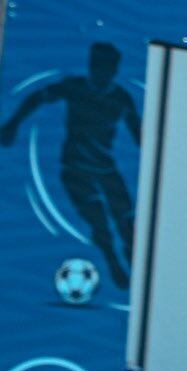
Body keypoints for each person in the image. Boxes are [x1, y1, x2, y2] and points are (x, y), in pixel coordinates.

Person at [0, 42, 141, 285]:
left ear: (114, 70)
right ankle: (112, 262)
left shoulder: (121, 98)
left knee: (126, 222)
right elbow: (39, 97)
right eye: (96, 66)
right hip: (76, 169)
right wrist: (13, 123)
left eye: (106, 67)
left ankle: (136, 268)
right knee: (99, 221)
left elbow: (140, 136)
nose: (100, 72)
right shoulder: (75, 87)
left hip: (107, 169)